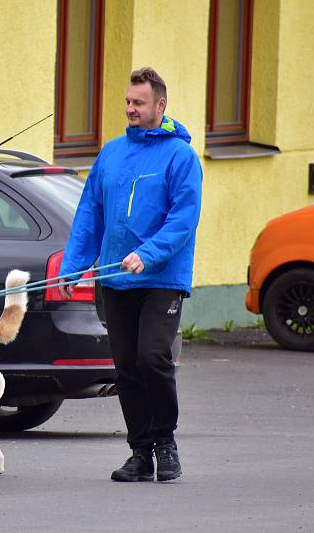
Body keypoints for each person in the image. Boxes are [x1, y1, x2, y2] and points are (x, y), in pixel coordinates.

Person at [58, 67, 202, 482]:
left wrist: (147, 253)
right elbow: (90, 214)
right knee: (126, 367)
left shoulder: (181, 156)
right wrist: (73, 266)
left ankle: (165, 442)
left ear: (161, 105)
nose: (130, 109)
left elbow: (183, 219)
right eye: (127, 102)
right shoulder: (112, 152)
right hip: (116, 279)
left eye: (138, 103)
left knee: (152, 357)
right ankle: (140, 453)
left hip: (162, 278)